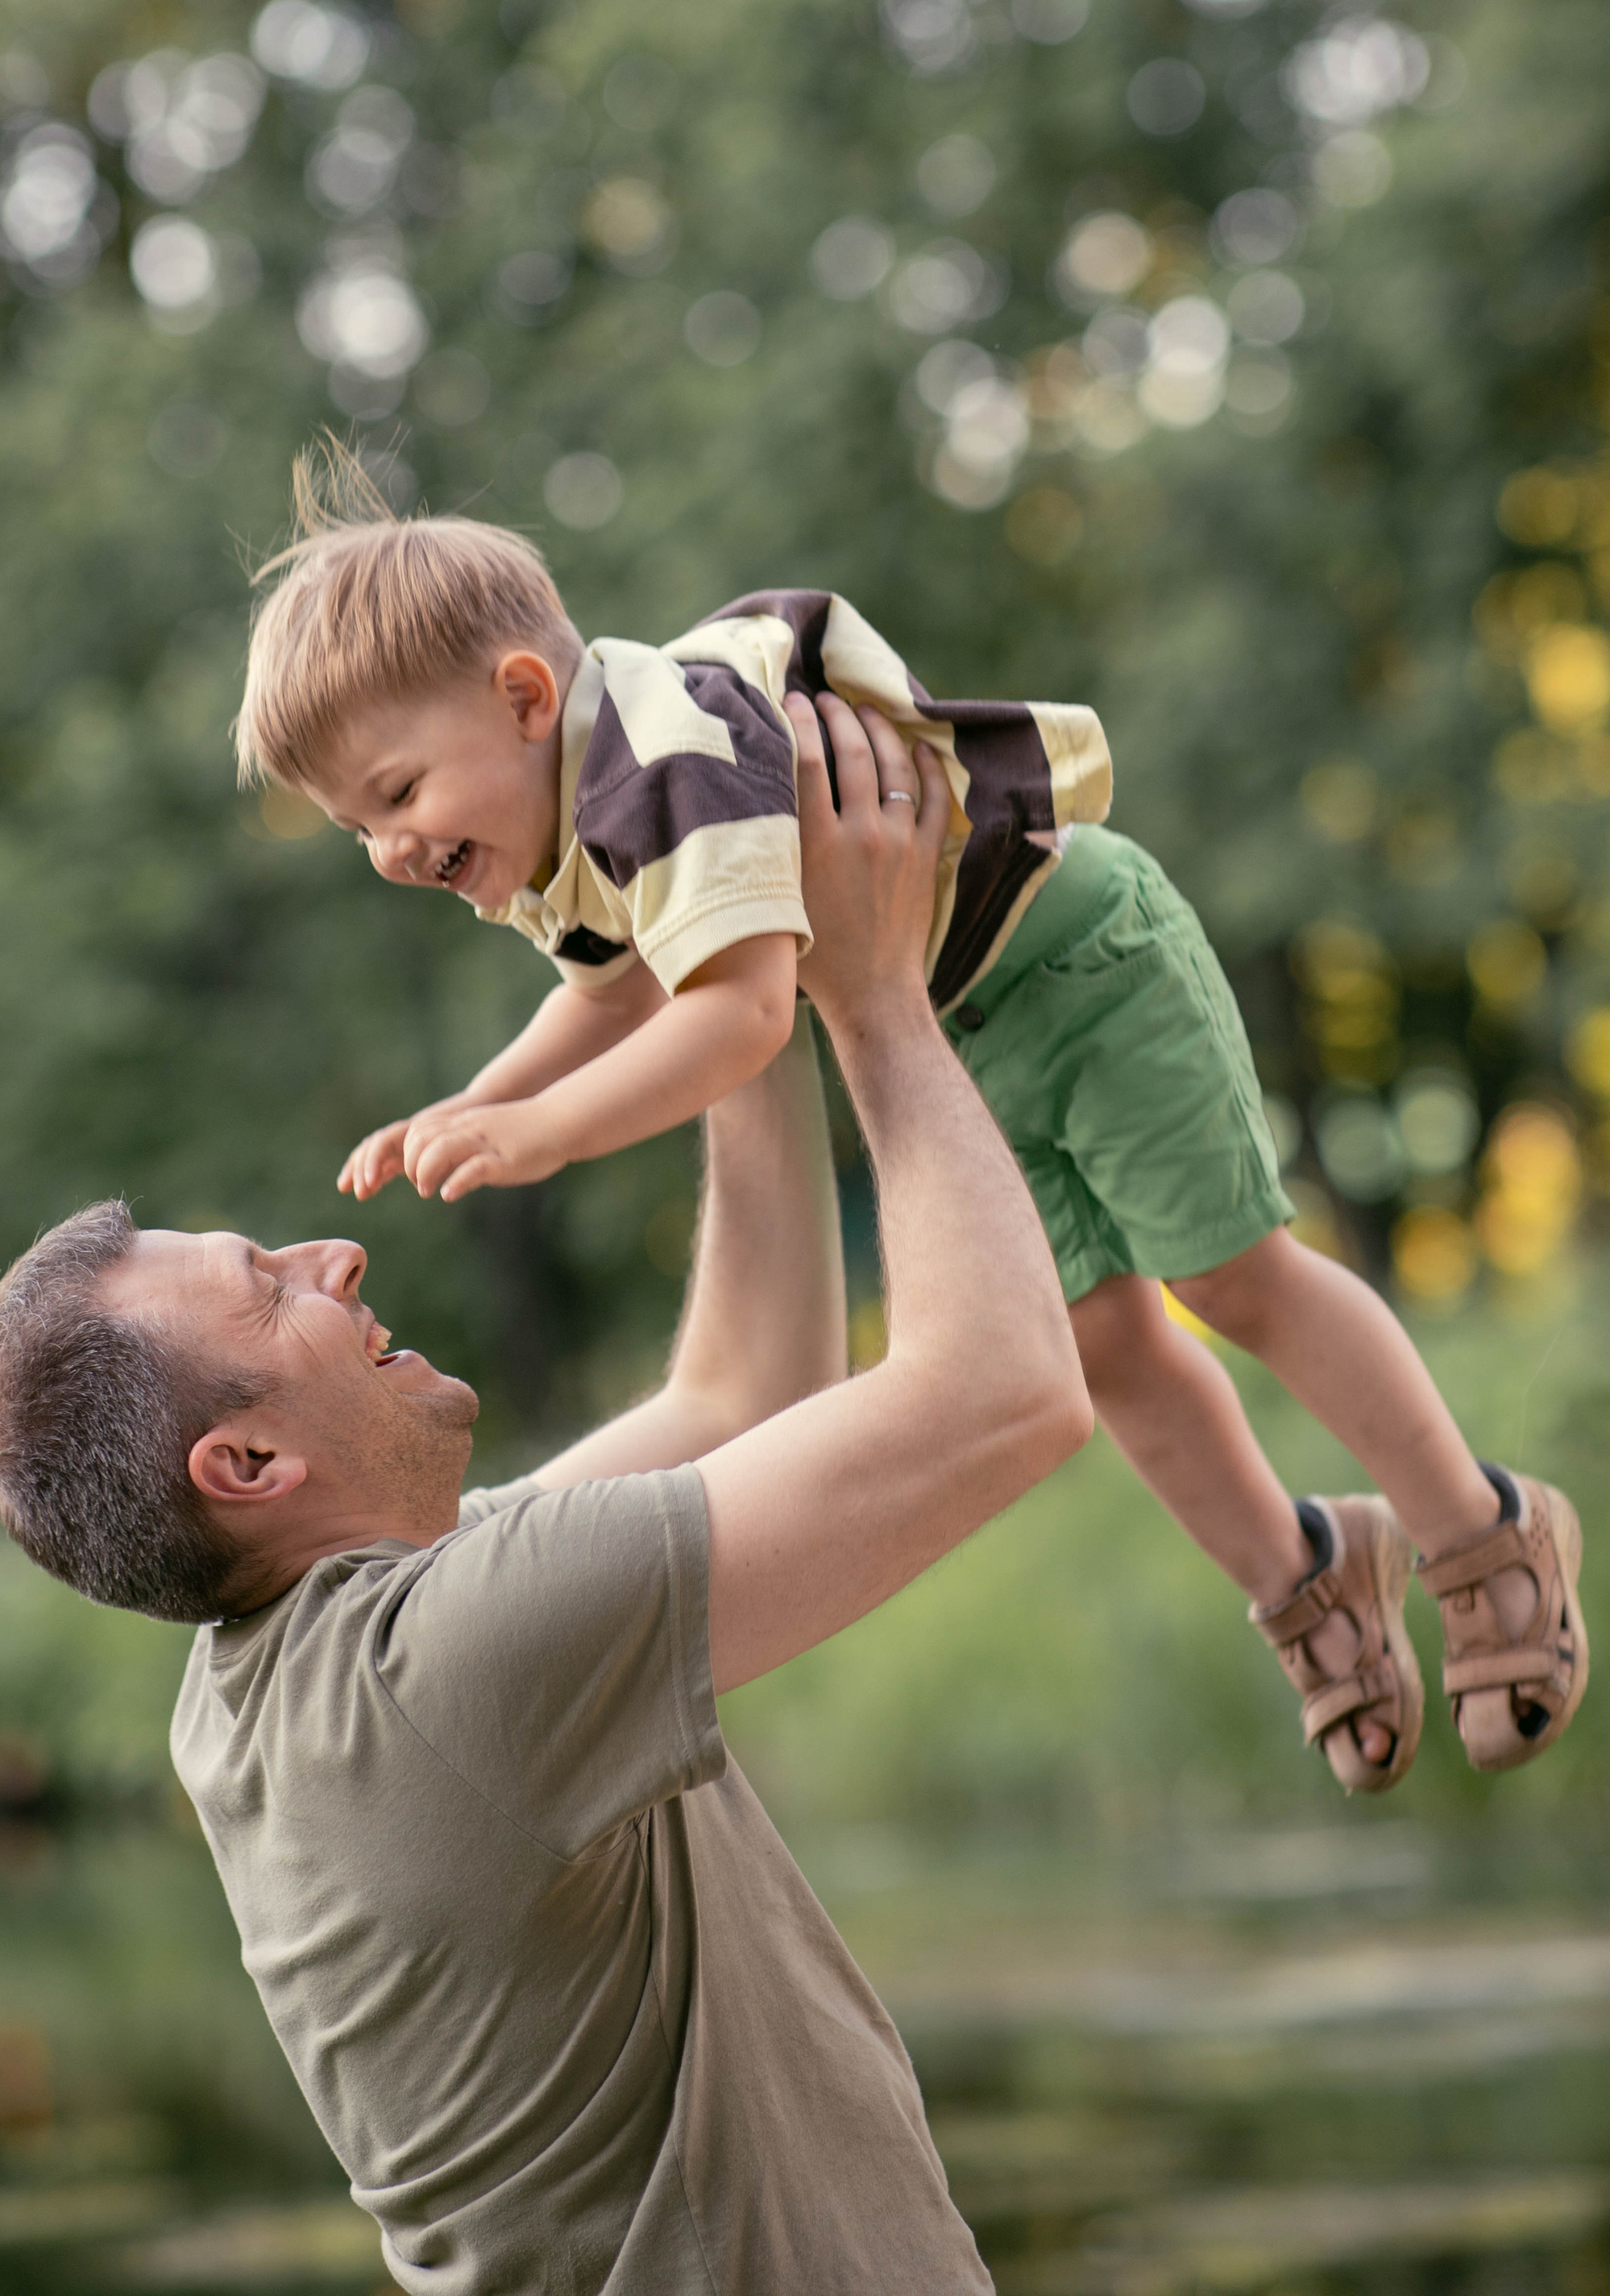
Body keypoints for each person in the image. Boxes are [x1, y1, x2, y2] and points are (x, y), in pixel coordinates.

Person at [231, 457, 1587, 1796]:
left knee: (1229, 1277)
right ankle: (1307, 1574)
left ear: (526, 698)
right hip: (966, 1027)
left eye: (398, 795)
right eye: (357, 828)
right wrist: (481, 1100)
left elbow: (742, 1015)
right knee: (1105, 1339)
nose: (389, 851)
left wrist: (548, 1134)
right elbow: (610, 986)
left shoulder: (666, 762)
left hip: (1079, 957)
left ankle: (1484, 1528)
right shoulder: (573, 825)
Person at [0, 700, 1091, 2292]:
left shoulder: (289, 1669)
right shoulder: (454, 1666)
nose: (337, 1254)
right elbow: (1009, 1393)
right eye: (270, 1285)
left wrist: (727, 943)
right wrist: (876, 997)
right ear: (248, 1467)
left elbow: (739, 1394)